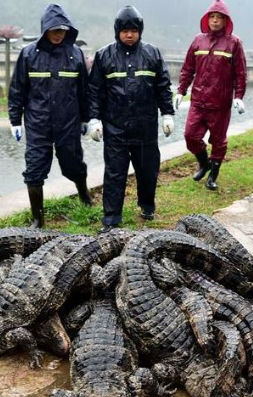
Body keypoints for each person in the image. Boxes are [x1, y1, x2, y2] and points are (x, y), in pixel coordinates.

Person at [87, 5, 174, 232]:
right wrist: (94, 119)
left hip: (145, 128)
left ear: (140, 31)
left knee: (147, 171)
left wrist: (167, 113)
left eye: (133, 30)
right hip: (115, 128)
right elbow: (95, 90)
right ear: (117, 31)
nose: (129, 34)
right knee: (114, 174)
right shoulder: (104, 55)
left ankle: (147, 205)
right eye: (124, 30)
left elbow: (163, 86)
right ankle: (111, 218)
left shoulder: (152, 54)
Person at [8, 3, 92, 228]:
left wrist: (86, 117)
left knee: (74, 164)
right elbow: (17, 88)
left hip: (69, 122)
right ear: (45, 29)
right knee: (35, 168)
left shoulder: (75, 54)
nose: (59, 35)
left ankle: (84, 195)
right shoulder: (28, 54)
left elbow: (83, 90)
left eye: (63, 31)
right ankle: (38, 218)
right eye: (55, 30)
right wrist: (15, 120)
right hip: (38, 123)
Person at [175, 0, 247, 191]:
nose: (215, 21)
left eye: (219, 18)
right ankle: (204, 163)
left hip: (220, 103)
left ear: (226, 21)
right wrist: (181, 90)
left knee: (218, 140)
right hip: (198, 100)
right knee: (190, 135)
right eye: (212, 17)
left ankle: (212, 176)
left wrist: (238, 96)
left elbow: (240, 73)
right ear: (207, 19)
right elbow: (188, 68)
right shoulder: (198, 40)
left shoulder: (234, 43)